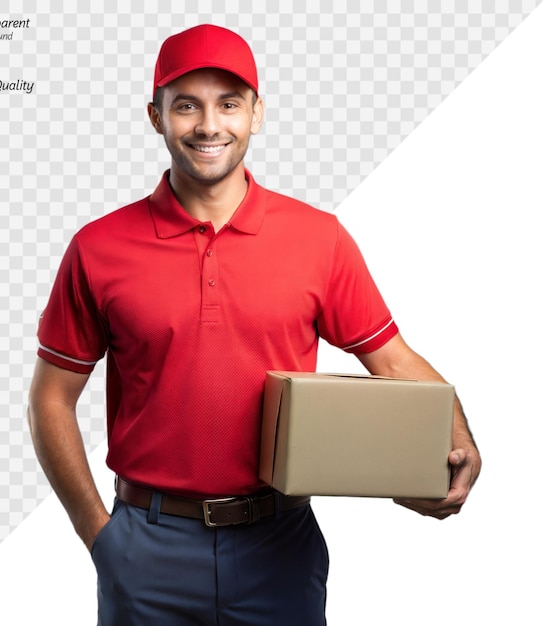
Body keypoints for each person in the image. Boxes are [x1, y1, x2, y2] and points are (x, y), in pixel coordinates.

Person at [27, 24, 481, 626]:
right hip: (147, 545)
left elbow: (393, 360)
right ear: (154, 117)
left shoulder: (319, 239)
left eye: (229, 104)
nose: (209, 125)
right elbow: (51, 399)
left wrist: (461, 439)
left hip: (280, 547)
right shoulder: (97, 247)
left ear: (257, 114)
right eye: (186, 104)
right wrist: (100, 537)